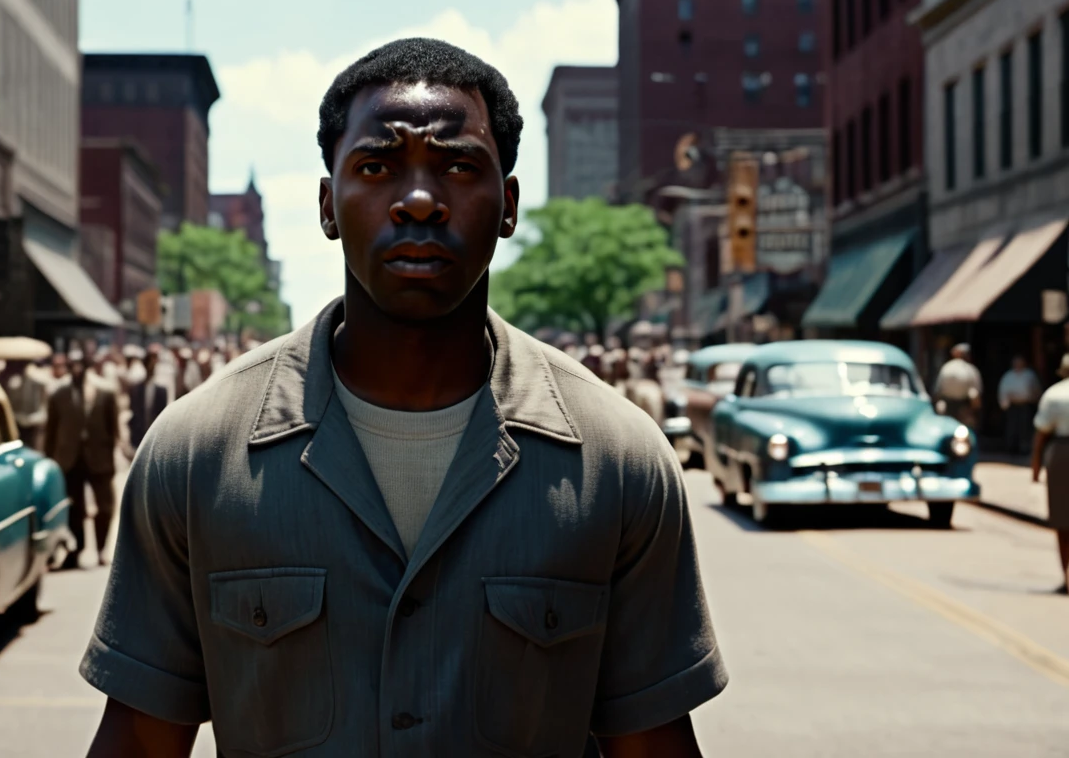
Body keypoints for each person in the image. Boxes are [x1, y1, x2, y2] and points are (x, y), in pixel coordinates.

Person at [81, 38, 724, 757]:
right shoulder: (194, 454)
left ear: (508, 206)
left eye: (457, 165)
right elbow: (139, 740)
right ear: (328, 204)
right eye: (377, 166)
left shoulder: (620, 460)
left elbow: (654, 743)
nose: (419, 200)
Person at [44, 351, 119, 570]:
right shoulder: (58, 395)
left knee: (105, 507)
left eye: (80, 365)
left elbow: (113, 429)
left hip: (99, 458)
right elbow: (51, 432)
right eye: (73, 365)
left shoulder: (105, 392)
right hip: (70, 460)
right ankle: (75, 552)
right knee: (75, 509)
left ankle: (101, 549)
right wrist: (50, 461)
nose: (77, 369)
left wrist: (114, 457)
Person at [1031, 353, 1069, 596]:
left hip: (1062, 453)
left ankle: (1066, 576)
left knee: (1062, 519)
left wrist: (1035, 467)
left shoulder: (1055, 394)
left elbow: (1041, 434)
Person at [127, 345, 169, 452]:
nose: (151, 366)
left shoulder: (161, 390)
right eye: (149, 363)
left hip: (155, 438)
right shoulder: (136, 388)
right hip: (138, 438)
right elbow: (133, 411)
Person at [0, 359, 47, 449]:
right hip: (16, 425)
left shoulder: (39, 383)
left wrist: (30, 419)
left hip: (32, 427)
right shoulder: (13, 382)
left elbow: (43, 409)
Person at [934, 343, 983, 432]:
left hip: (947, 409)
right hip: (963, 410)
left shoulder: (946, 367)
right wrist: (976, 412)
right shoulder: (970, 369)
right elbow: (974, 395)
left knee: (947, 431)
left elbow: (937, 390)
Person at [998, 355, 1041, 455]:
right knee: (1012, 427)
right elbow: (1002, 390)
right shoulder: (1008, 375)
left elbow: (1036, 388)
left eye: (1020, 362)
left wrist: (1036, 400)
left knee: (1025, 427)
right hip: (1012, 405)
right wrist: (1004, 404)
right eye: (1016, 363)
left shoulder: (1029, 375)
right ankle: (1011, 447)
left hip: (1025, 404)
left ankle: (1024, 447)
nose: (1018, 365)